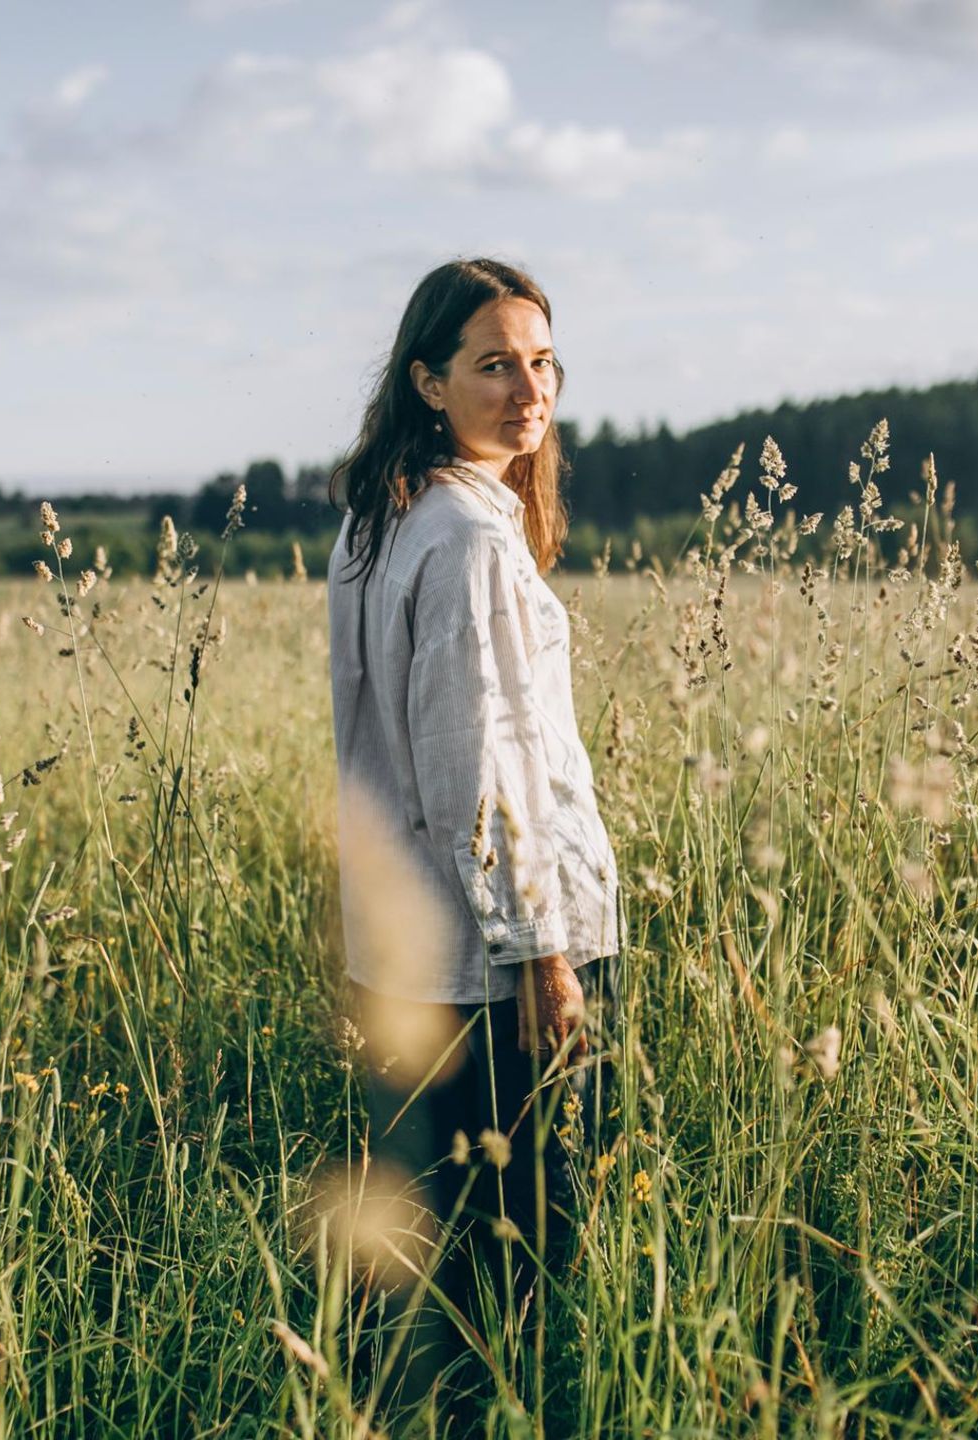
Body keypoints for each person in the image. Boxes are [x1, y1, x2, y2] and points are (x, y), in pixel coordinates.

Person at [325, 256, 624, 1426]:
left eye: (542, 361)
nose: (528, 388)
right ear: (427, 381)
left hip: (415, 958)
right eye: (493, 363)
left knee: (424, 1256)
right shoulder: (466, 539)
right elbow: (480, 770)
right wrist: (543, 956)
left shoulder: (384, 520)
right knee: (524, 1262)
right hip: (493, 964)